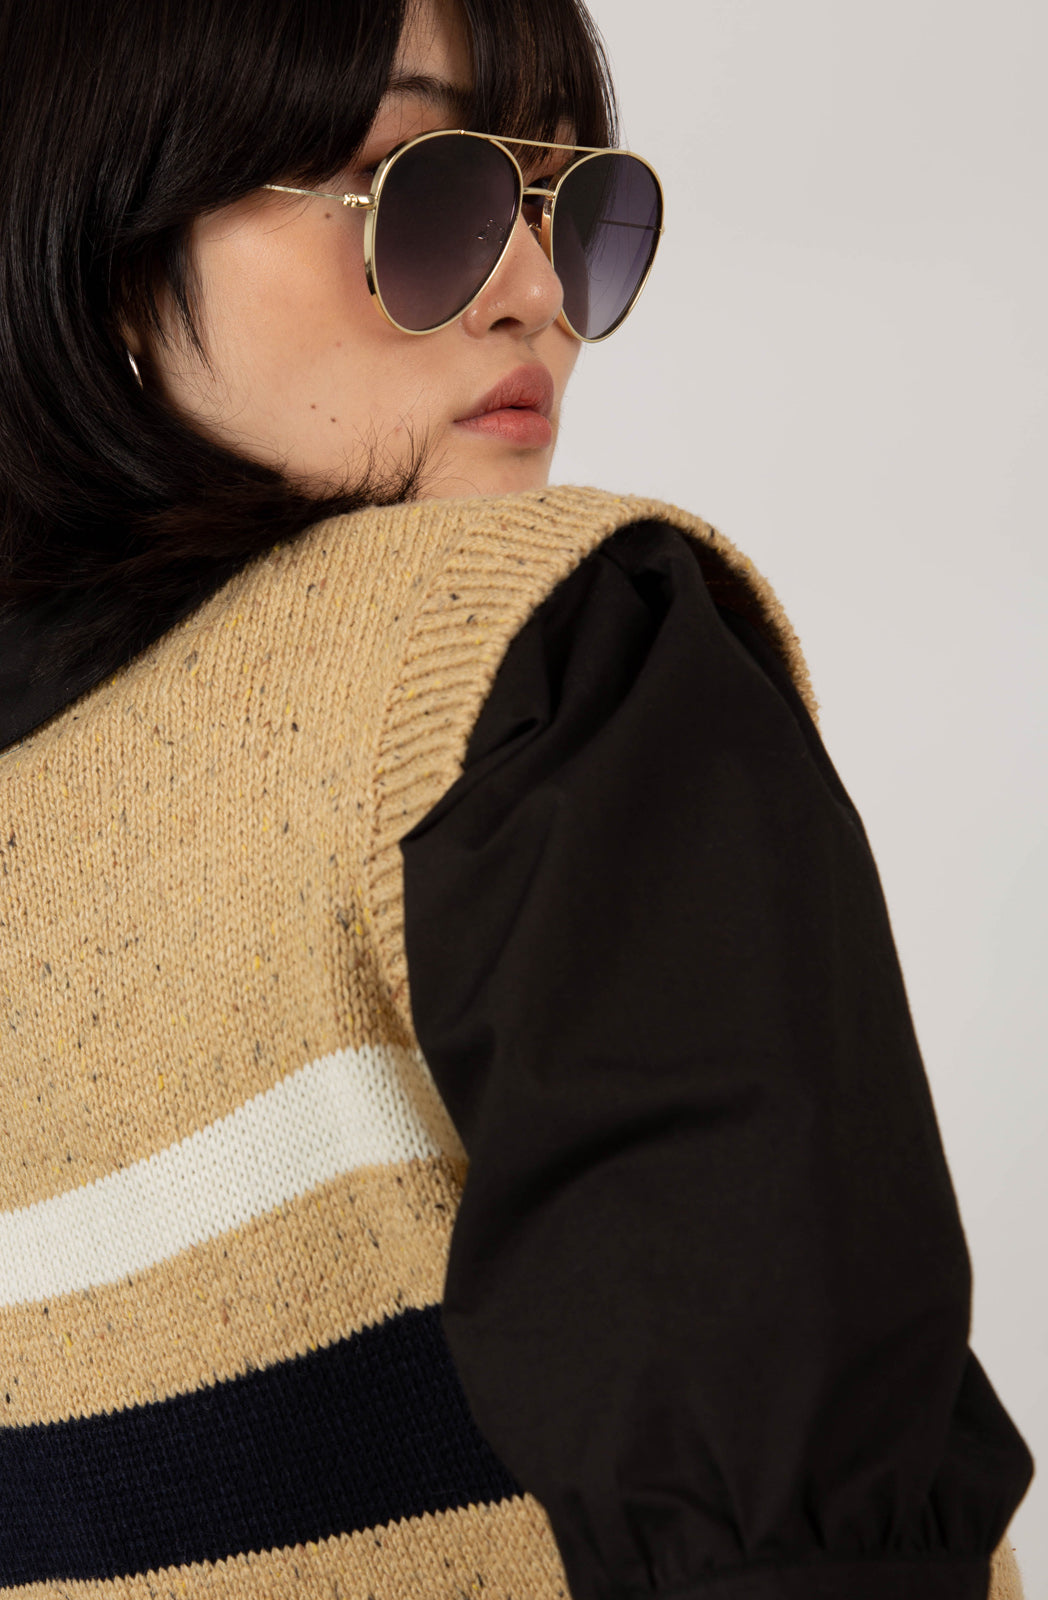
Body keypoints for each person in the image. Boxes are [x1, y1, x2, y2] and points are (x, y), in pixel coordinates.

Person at [0, 0, 1032, 1595]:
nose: (538, 295)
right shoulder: (535, 655)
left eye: (568, 208)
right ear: (118, 253)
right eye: (423, 191)